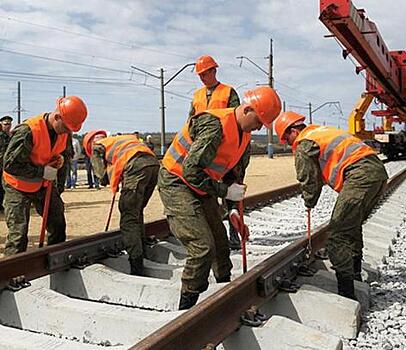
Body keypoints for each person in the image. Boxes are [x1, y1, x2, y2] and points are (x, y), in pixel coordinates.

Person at [158, 86, 282, 310]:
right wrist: (224, 192)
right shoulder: (214, 126)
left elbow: (233, 178)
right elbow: (190, 171)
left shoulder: (244, 138)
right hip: (176, 181)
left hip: (202, 185)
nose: (259, 127)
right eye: (259, 120)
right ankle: (186, 309)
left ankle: (224, 294)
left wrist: (233, 210)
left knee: (221, 245)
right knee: (202, 247)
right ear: (247, 109)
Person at [275, 111, 388, 300]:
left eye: (286, 140)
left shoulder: (304, 142)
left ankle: (347, 293)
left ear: (293, 131)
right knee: (350, 226)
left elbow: (308, 178)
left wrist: (309, 200)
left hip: (360, 175)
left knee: (337, 235)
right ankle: (355, 275)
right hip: (377, 173)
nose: (289, 145)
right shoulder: (320, 132)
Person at [2, 96, 87, 255]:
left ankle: (54, 262)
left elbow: (65, 157)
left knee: (57, 224)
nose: (68, 132)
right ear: (57, 117)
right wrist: (42, 172)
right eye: (67, 127)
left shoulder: (65, 131)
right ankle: (11, 276)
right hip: (17, 185)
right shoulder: (28, 131)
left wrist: (58, 186)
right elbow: (10, 165)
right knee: (18, 235)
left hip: (43, 185)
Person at [83, 131, 159, 275]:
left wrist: (104, 177)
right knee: (137, 212)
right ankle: (142, 250)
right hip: (153, 164)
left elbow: (101, 176)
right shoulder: (121, 139)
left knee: (128, 217)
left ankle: (136, 265)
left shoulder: (98, 146)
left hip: (135, 166)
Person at [191, 54, 242, 251]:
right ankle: (214, 234)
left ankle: (234, 235)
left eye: (205, 73)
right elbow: (192, 122)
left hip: (226, 151)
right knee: (207, 190)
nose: (202, 77)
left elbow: (238, 120)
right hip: (205, 152)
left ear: (214, 71)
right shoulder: (197, 96)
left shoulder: (228, 92)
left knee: (231, 191)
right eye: (200, 75)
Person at [0, 115, 13, 211]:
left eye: (9, 124)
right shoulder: (1, 136)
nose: (8, 126)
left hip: (7, 165)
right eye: (6, 124)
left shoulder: (11, 136)